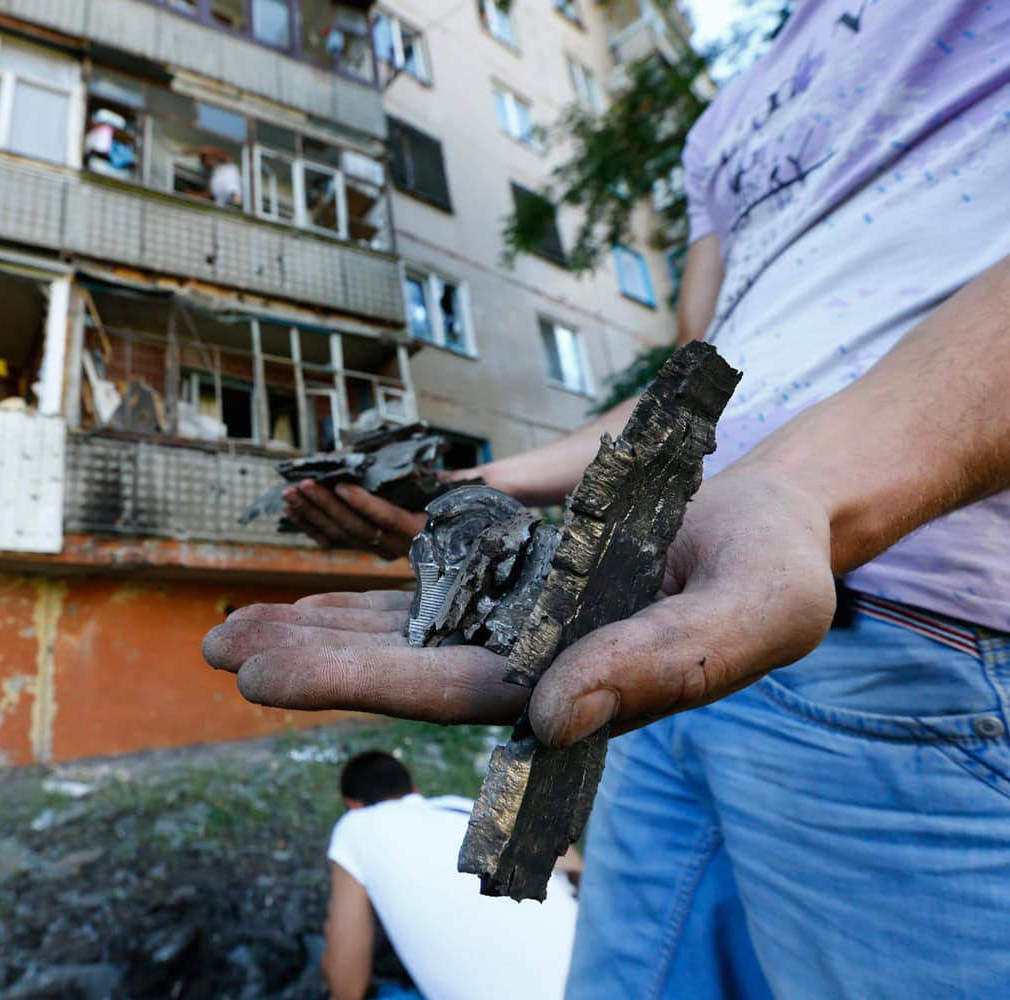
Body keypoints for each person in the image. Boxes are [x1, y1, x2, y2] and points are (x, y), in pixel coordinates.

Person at [205, 5, 1010, 996]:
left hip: (911, 641)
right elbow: (704, 377)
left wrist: (805, 490)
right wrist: (472, 489)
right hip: (665, 625)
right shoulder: (726, 120)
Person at [321, 751, 578, 1000]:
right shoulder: (461, 808)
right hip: (599, 971)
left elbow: (347, 990)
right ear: (413, 788)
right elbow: (572, 864)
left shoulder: (354, 828)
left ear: (352, 804)